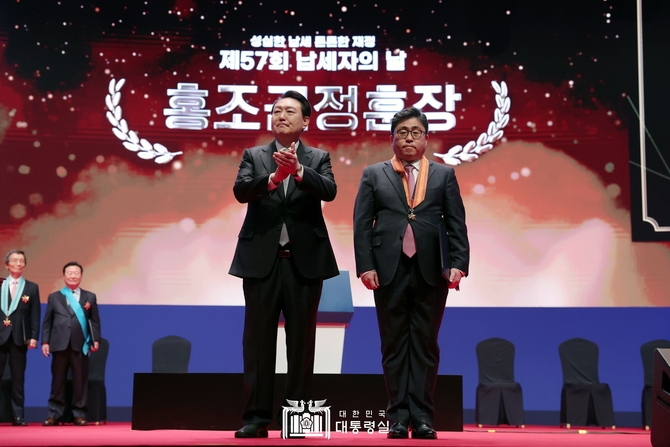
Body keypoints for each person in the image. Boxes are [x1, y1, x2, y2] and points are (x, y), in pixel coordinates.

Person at [353, 107, 470, 440]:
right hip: (387, 270)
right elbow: (361, 224)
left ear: (426, 138)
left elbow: (456, 223)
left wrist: (459, 263)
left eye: (415, 132)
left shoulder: (443, 174)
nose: (408, 138)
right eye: (402, 132)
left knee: (425, 345)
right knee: (392, 346)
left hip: (432, 271)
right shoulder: (374, 174)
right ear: (392, 138)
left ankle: (422, 418)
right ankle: (396, 417)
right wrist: (366, 266)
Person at [228, 90, 339, 438]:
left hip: (304, 264)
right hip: (262, 262)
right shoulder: (254, 155)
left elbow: (329, 190)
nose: (281, 116)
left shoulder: (318, 157)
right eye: (276, 110)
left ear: (305, 121)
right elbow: (241, 191)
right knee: (258, 343)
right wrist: (275, 178)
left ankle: (297, 418)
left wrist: (299, 171)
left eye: (290, 111)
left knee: (301, 344)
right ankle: (256, 418)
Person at [41, 261, 100, 426]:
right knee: (57, 382)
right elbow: (47, 322)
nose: (73, 276)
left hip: (80, 345)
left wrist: (95, 339)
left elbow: (94, 321)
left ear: (81, 276)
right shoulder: (54, 297)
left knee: (80, 381)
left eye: (76, 273)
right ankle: (54, 414)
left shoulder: (90, 297)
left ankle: (79, 414)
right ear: (64, 276)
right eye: (69, 273)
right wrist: (45, 341)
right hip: (59, 344)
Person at [0, 250, 41, 426]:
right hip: (0, 336)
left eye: (22, 261)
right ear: (6, 265)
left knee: (18, 378)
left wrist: (34, 336)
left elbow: (35, 314)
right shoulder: (0, 284)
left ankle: (18, 415)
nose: (18, 263)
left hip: (19, 337)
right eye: (15, 260)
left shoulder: (31, 287)